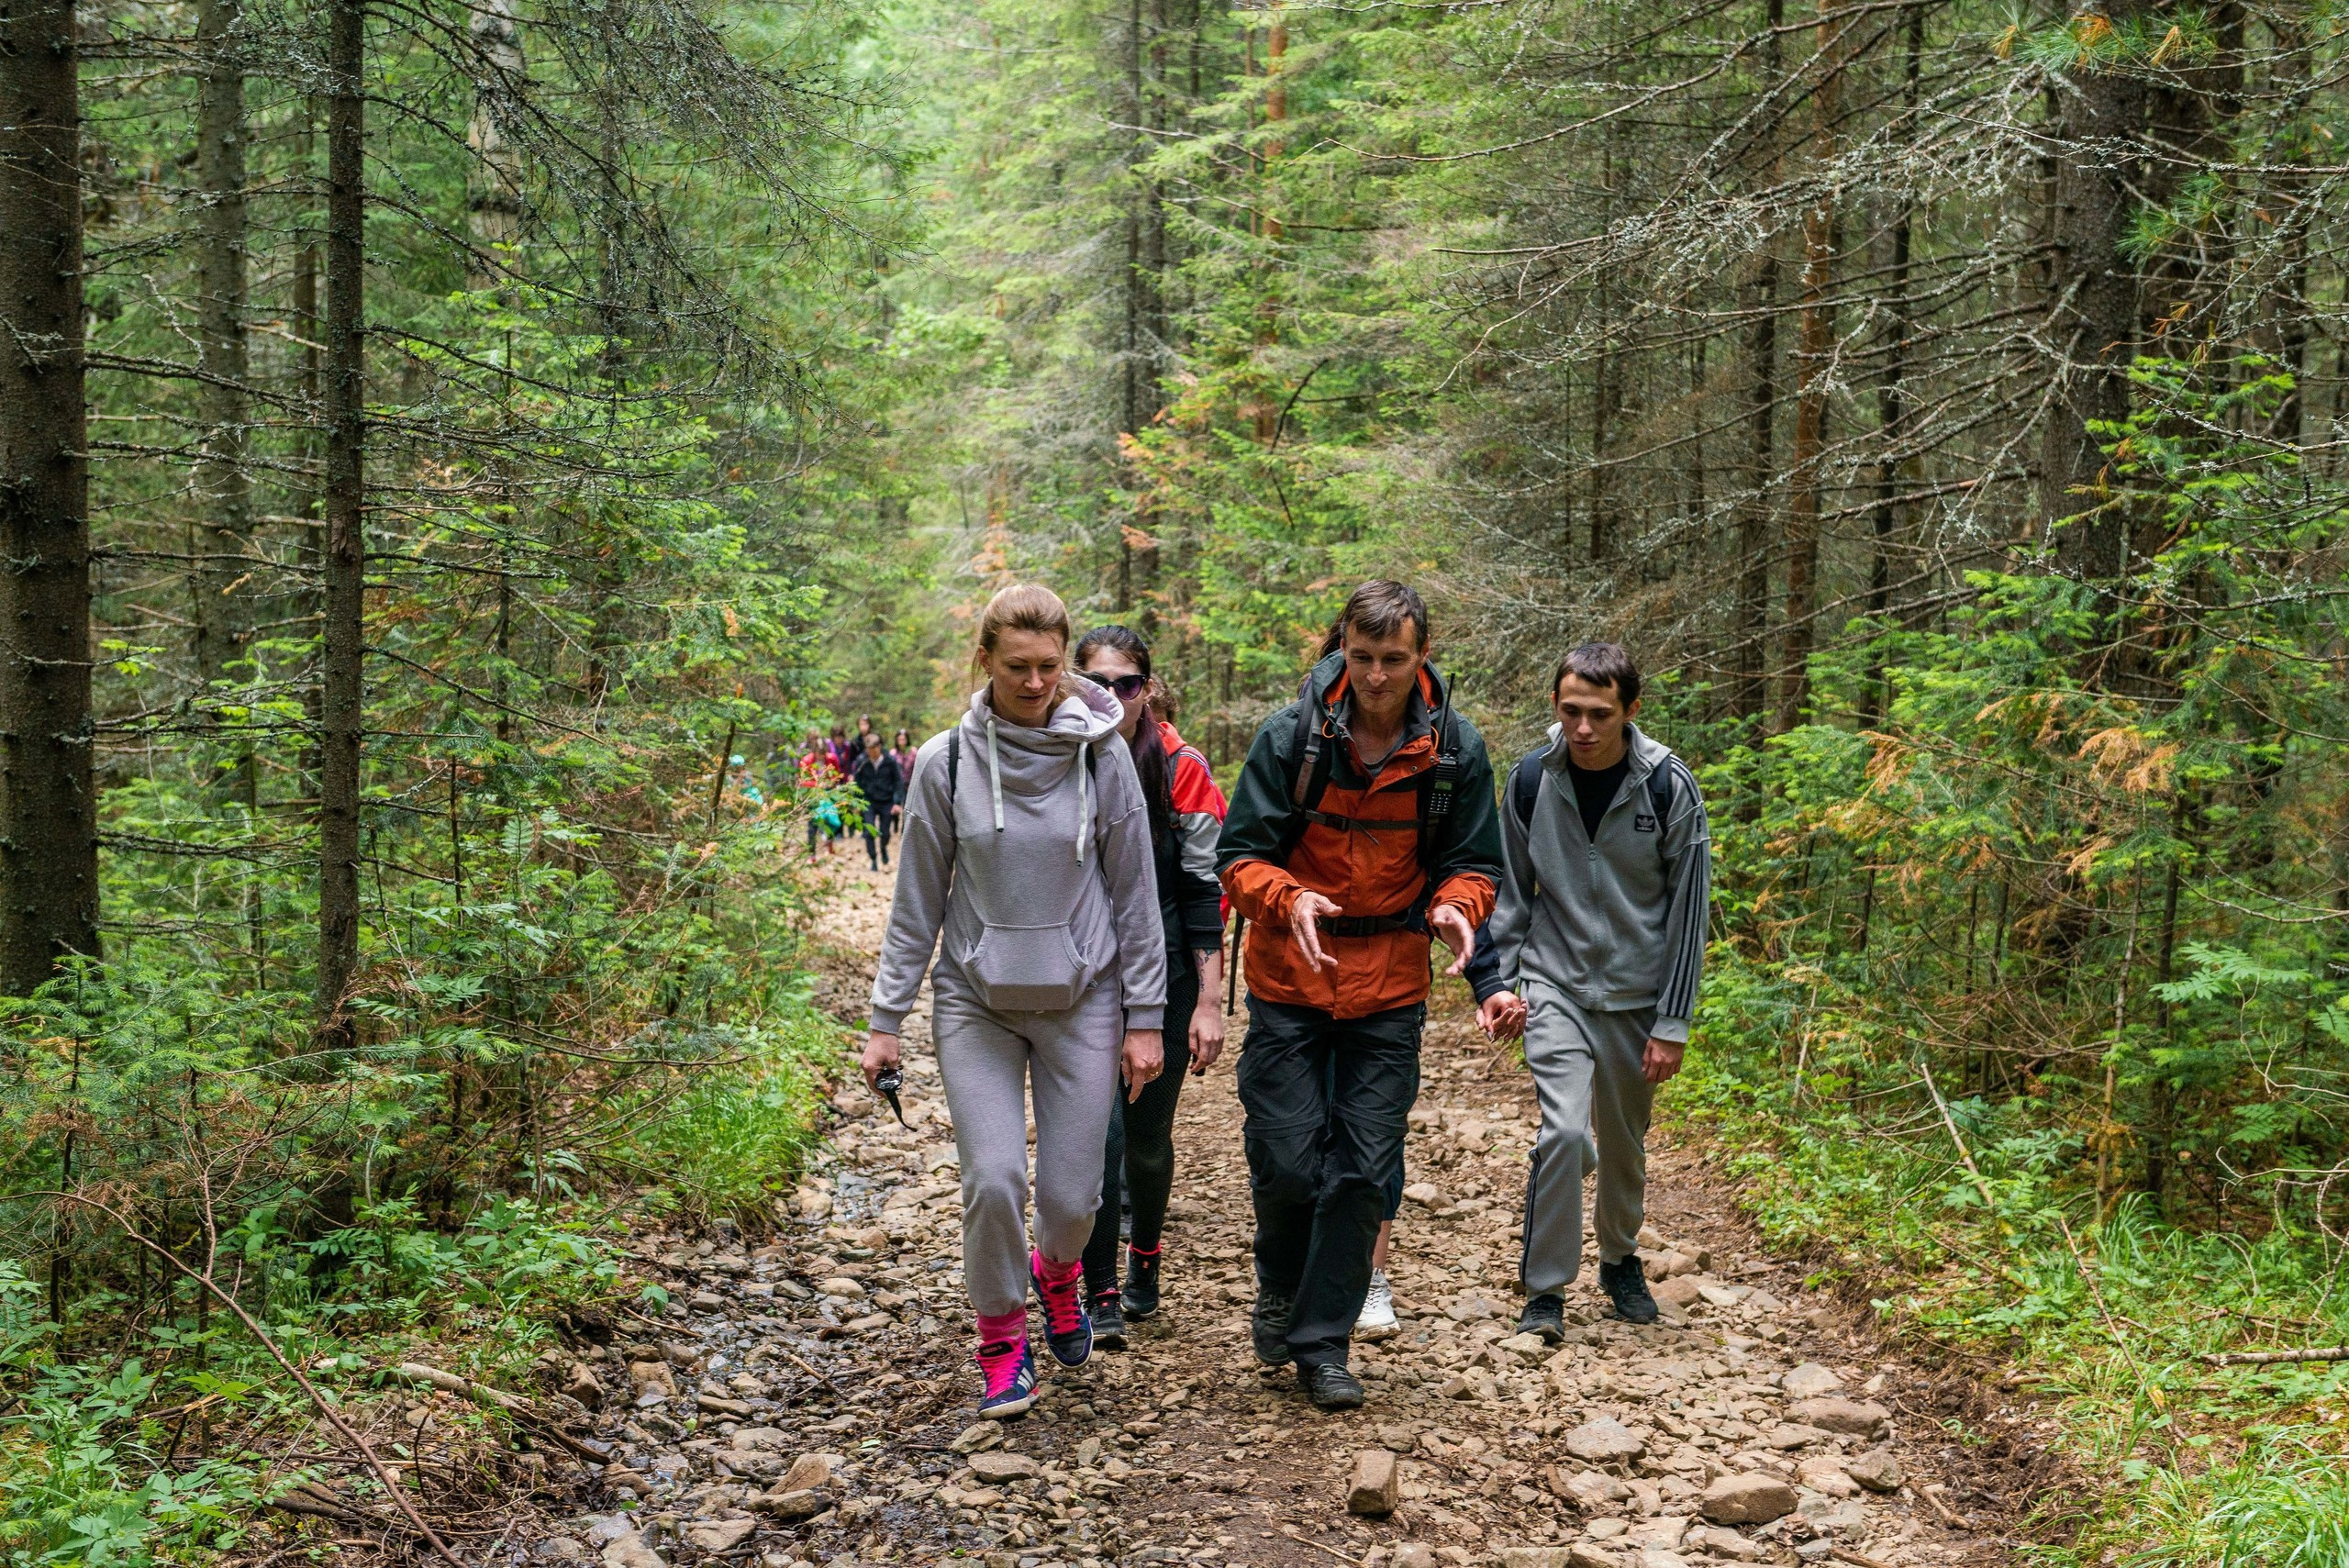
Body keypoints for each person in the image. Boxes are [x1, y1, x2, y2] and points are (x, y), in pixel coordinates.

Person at [863, 584, 1168, 1419]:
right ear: (985, 662)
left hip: (1083, 998)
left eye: (1050, 666)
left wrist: (1146, 1018)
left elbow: (1135, 893)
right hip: (977, 1003)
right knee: (994, 1178)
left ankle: (1059, 1271)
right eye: (1018, 666)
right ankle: (1001, 1340)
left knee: (1073, 1198)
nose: (1036, 683)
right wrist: (885, 1020)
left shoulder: (1103, 754)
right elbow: (917, 900)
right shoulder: (946, 761)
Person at [1215, 580, 1503, 1409]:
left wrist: (1456, 907)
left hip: (1388, 990)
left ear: (1423, 656)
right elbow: (1237, 857)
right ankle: (1279, 1281)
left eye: (1395, 659)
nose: (1376, 676)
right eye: (1364, 657)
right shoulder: (1290, 737)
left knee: (1364, 1170)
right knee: (1286, 1157)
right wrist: (1289, 895)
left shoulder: (1455, 751)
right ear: (1344, 648)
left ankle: (1322, 1343)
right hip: (1288, 980)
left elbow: (1476, 863)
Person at [1465, 642, 1711, 1339]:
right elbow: (1511, 893)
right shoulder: (1530, 780)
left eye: (1599, 713)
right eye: (1570, 710)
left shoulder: (1668, 786)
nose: (1582, 727)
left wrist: (1674, 1020)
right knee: (1565, 1131)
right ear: (1556, 706)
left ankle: (1620, 1257)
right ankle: (1545, 1289)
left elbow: (1690, 912)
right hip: (1556, 983)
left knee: (1625, 1144)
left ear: (1630, 711)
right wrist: (1503, 982)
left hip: (1638, 996)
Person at [1070, 626, 1230, 1349]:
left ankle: (1145, 1261)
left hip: (1161, 966)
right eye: (1096, 683)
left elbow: (1205, 892)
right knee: (1092, 1140)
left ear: (1148, 690)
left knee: (1146, 1139)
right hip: (1076, 972)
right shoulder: (1054, 754)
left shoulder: (1181, 766)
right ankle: (1098, 1287)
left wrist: (1208, 998)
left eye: (1126, 684)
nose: (1111, 697)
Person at [852, 730, 904, 870]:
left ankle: (883, 848)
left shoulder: (890, 761)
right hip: (868, 801)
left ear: (879, 747)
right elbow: (856, 783)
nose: (871, 753)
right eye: (868, 749)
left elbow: (898, 781)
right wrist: (857, 802)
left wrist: (897, 802)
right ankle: (874, 859)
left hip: (887, 801)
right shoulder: (861, 761)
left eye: (873, 749)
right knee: (869, 831)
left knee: (885, 833)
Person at [799, 728, 844, 855]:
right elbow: (802, 781)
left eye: (823, 753)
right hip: (812, 795)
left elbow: (837, 775)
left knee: (834, 821)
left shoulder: (832, 759)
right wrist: (817, 784)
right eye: (819, 753)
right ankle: (812, 853)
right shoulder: (807, 761)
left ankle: (829, 843)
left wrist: (832, 783)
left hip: (829, 793)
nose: (821, 756)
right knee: (813, 824)